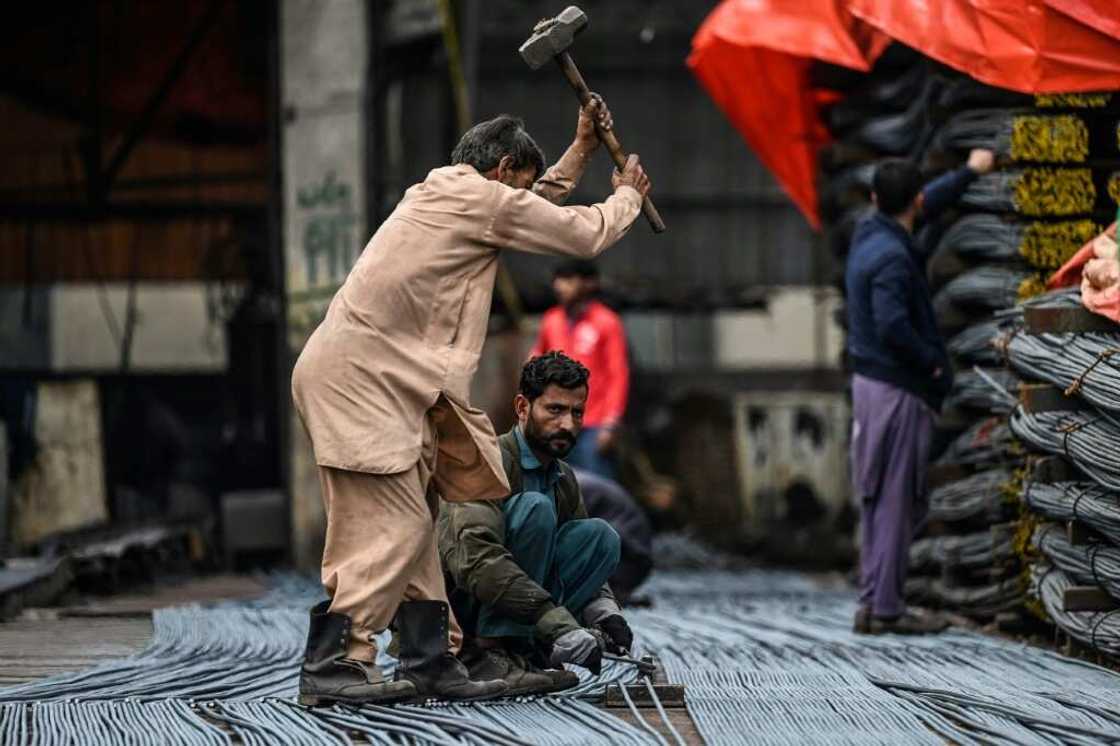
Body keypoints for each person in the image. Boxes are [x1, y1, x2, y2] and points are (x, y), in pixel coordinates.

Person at [292, 97, 651, 706]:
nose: (523, 195)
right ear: (502, 168)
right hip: (364, 383)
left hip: (384, 383)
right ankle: (334, 662)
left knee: (416, 527)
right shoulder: (472, 200)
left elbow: (529, 205)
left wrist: (584, 147)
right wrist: (628, 198)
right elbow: (576, 232)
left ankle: (435, 658)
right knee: (392, 529)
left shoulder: (450, 197)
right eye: (520, 182)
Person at [846, 148, 995, 635]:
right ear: (912, 200)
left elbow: (928, 202)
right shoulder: (892, 256)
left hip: (869, 385)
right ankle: (888, 609)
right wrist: (932, 364)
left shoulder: (869, 233)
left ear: (874, 198)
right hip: (896, 388)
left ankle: (873, 600)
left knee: (875, 495)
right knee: (897, 498)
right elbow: (893, 325)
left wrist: (970, 173)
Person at [437, 352, 635, 696]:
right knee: (534, 509)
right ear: (522, 407)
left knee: (599, 537)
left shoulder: (562, 478)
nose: (568, 425)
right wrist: (556, 624)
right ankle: (490, 653)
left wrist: (604, 613)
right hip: (460, 617)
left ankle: (525, 653)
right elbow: (476, 562)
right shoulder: (487, 462)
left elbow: (579, 556)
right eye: (554, 410)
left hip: (524, 612)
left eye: (577, 412)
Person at [530, 261, 629, 480]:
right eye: (558, 279)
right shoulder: (551, 320)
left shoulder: (606, 322)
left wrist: (610, 424)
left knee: (596, 491)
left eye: (567, 279)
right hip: (555, 424)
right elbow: (534, 364)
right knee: (558, 488)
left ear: (588, 283)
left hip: (593, 425)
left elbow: (618, 375)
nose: (559, 286)